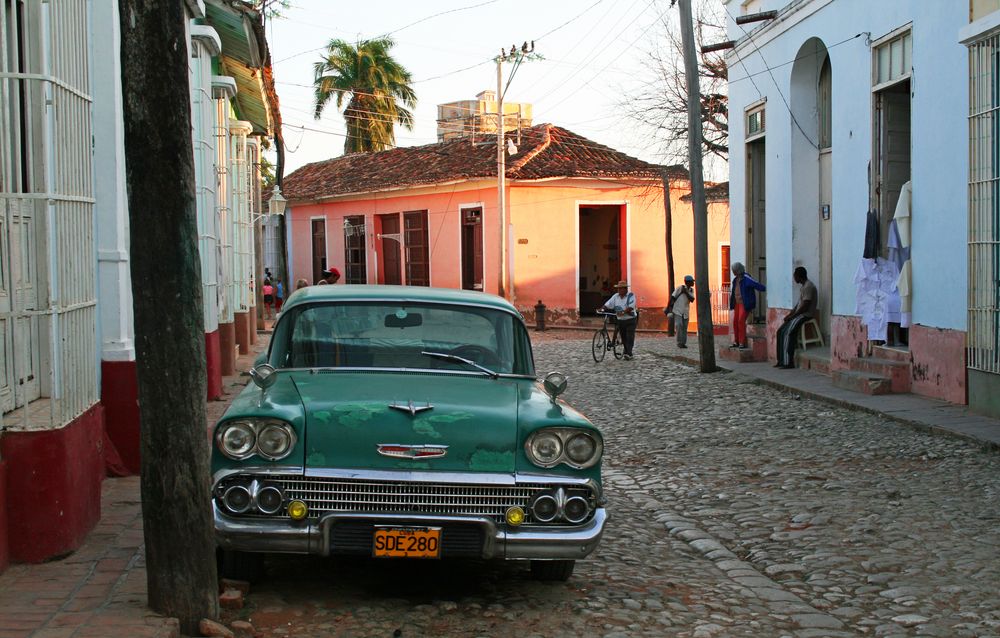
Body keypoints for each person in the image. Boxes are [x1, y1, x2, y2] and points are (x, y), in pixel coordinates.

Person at [775, 266, 818, 368]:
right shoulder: (803, 287)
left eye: (795, 276)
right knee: (780, 331)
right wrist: (790, 315)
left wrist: (793, 316)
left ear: (799, 276)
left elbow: (805, 306)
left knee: (787, 333)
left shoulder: (809, 286)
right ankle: (781, 360)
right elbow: (798, 304)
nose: (794, 278)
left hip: (805, 315)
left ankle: (788, 362)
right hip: (799, 314)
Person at [729, 262, 766, 350]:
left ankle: (742, 342)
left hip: (744, 303)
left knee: (741, 321)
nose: (733, 272)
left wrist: (764, 288)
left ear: (738, 270)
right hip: (737, 303)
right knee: (735, 322)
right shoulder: (735, 280)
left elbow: (756, 284)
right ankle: (736, 341)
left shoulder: (746, 278)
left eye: (734, 271)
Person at [601, 280, 638, 360]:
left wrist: (624, 312)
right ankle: (626, 351)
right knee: (624, 337)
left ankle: (629, 353)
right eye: (618, 288)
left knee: (630, 336)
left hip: (630, 319)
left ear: (625, 289)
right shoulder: (615, 296)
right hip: (620, 320)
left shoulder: (631, 296)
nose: (619, 290)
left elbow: (631, 306)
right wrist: (602, 308)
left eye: (621, 288)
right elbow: (608, 304)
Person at [668, 275, 695, 348]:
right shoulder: (680, 288)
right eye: (692, 281)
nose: (693, 283)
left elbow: (692, 299)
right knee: (679, 325)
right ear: (687, 282)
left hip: (685, 311)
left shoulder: (691, 290)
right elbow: (672, 297)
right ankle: (679, 342)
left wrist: (685, 292)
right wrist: (669, 309)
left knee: (684, 328)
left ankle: (683, 343)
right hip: (677, 310)